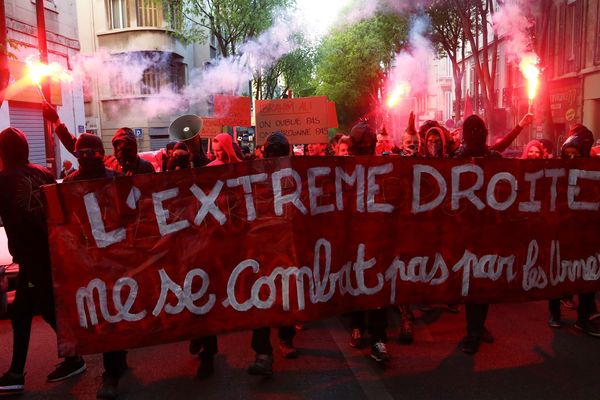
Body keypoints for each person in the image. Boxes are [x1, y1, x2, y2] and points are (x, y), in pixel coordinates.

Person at [0, 128, 86, 395]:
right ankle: (17, 373)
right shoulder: (43, 173)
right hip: (47, 251)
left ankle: (73, 357)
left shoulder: (4, 179)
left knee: (46, 309)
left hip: (32, 256)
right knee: (23, 312)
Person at [62, 134, 126, 399]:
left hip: (117, 258)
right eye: (81, 153)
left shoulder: (116, 181)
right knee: (105, 314)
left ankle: (114, 365)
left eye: (92, 153)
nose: (87, 158)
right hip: (88, 261)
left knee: (117, 312)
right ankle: (113, 368)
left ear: (101, 153)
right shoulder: (68, 184)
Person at [247, 132, 299, 376]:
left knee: (286, 297)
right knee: (261, 299)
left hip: (287, 247)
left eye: (280, 154)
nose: (275, 158)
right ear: (265, 154)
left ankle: (286, 338)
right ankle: (263, 352)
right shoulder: (254, 178)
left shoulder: (297, 177)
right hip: (261, 249)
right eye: (272, 154)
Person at [548, 124, 600, 336]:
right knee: (557, 276)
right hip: (560, 236)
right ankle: (554, 313)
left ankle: (584, 317)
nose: (570, 159)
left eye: (575, 154)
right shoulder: (555, 175)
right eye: (566, 154)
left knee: (587, 275)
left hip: (585, 236)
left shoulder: (592, 176)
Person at [454, 115, 499, 354]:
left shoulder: (494, 159)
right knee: (471, 282)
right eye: (472, 130)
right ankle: (472, 332)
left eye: (479, 129)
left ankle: (479, 327)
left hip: (489, 230)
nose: (476, 134)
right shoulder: (457, 159)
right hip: (467, 232)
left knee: (486, 281)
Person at [346, 121, 390, 363]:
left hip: (376, 234)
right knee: (356, 281)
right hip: (354, 235)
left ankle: (378, 337)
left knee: (376, 286)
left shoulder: (384, 167)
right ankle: (358, 326)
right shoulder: (342, 168)